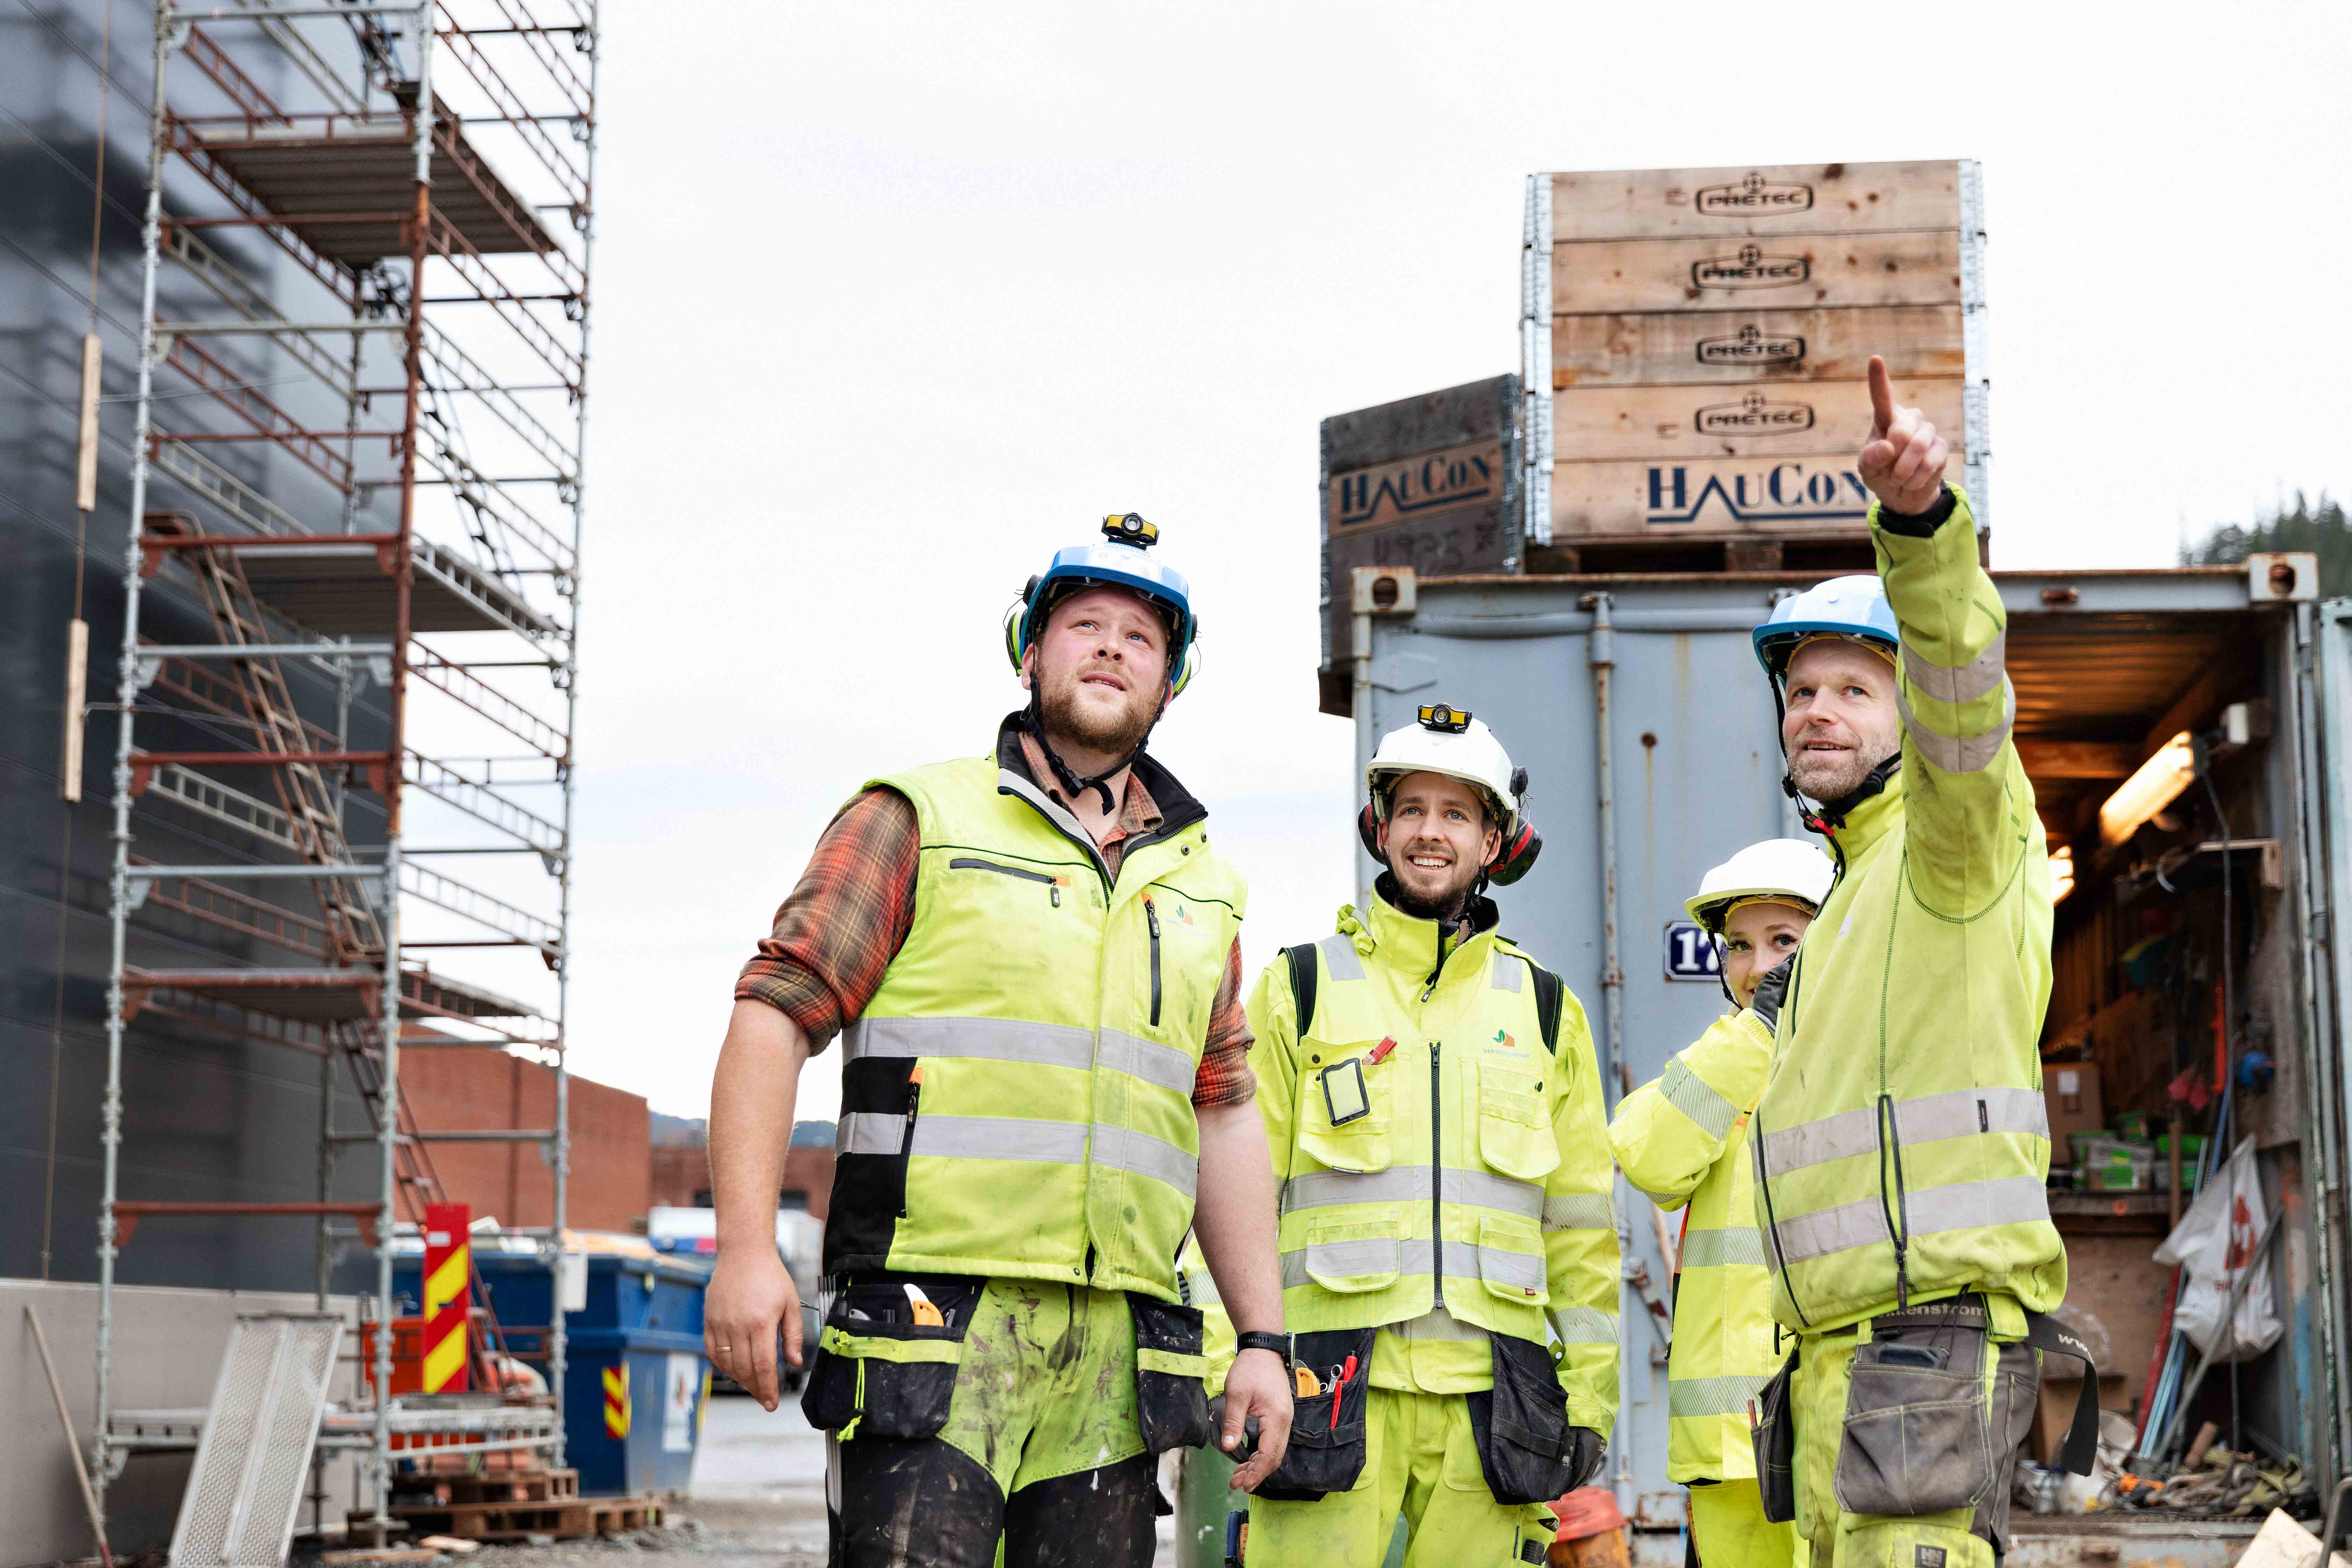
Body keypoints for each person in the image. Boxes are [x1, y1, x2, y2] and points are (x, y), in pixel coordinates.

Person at [701, 514, 1294, 1568]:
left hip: (1117, 1354)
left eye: (1141, 638)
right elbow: (774, 1014)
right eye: (1083, 625)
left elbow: (1223, 1111)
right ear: (1030, 652)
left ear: (1171, 685)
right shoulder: (915, 818)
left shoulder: (1202, 887)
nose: (1112, 647)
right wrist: (746, 1250)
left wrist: (1260, 1336)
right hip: (930, 1329)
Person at [1744, 361, 2091, 1568]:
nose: (1817, 712)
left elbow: (1963, 690)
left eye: (1853, 687)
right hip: (1839, 1368)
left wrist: (1921, 531)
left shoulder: (1957, 846)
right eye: (1801, 692)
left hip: (1924, 1355)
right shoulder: (1840, 913)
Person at [1234, 702, 1619, 1568]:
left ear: (1493, 842)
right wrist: (1237, 1358)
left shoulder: (1546, 1009)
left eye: (1457, 814)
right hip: (1325, 1390)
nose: (1430, 832)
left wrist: (1591, 1399)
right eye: (1411, 809)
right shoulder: (1300, 988)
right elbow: (1234, 1195)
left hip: (1495, 1406)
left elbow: (1582, 1227)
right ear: (1381, 827)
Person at [1610, 840, 1832, 1568]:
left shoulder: (1868, 1063)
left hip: (1842, 1425)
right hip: (1731, 1441)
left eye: (1784, 941)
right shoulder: (1721, 1058)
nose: (1757, 965)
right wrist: (1758, 1035)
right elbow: (1646, 1156)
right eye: (1739, 944)